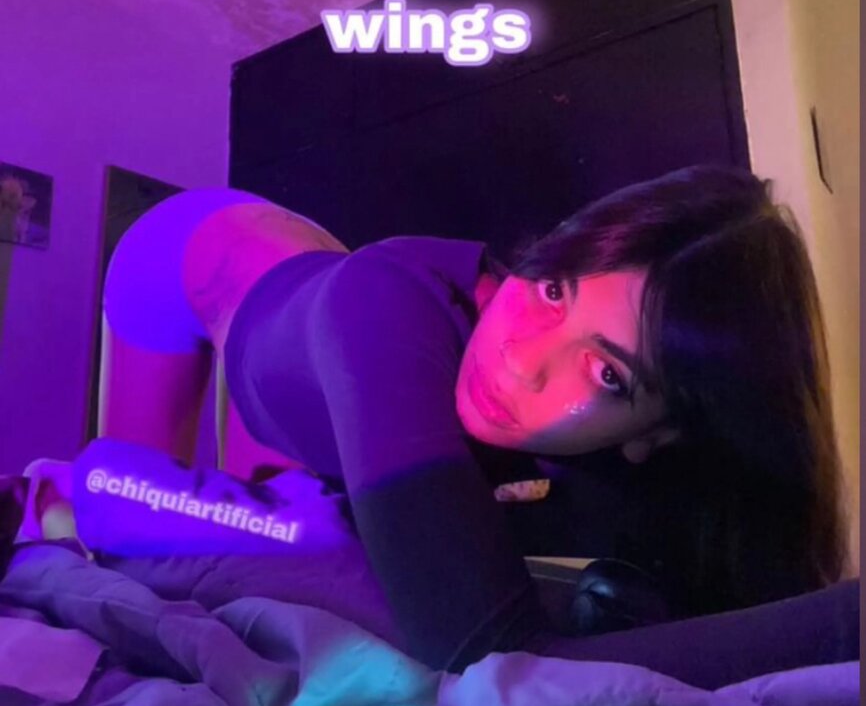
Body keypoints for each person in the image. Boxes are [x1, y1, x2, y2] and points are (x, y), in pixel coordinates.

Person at [97, 167, 850, 671]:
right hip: (190, 259)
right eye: (553, 289)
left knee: (282, 537)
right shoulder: (380, 311)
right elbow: (483, 650)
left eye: (606, 372)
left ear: (657, 435)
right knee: (132, 531)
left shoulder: (653, 455)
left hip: (315, 327)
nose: (521, 362)